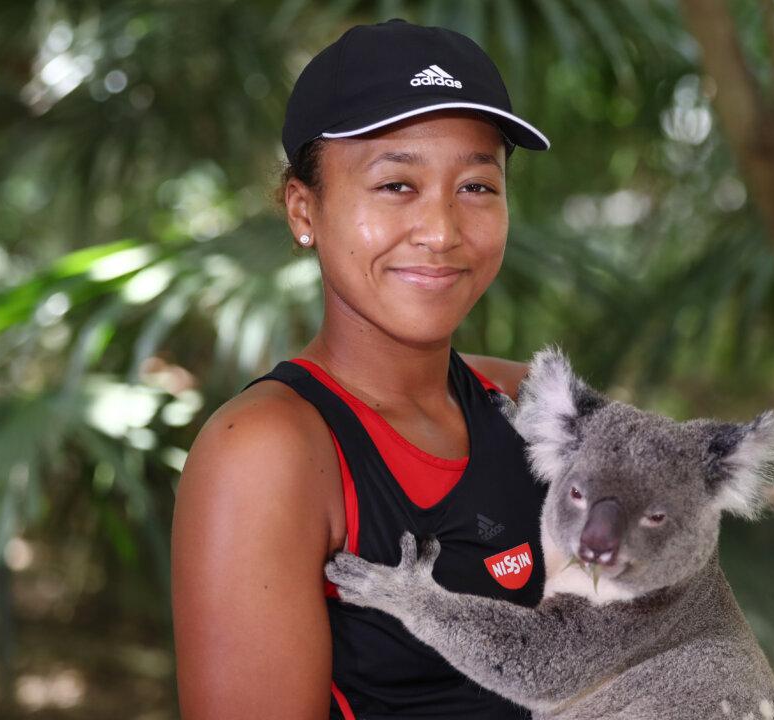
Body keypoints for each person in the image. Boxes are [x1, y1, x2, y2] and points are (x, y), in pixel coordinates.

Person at [171, 18, 552, 719]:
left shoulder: (533, 403)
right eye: (396, 185)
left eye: (476, 186)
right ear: (303, 209)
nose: (441, 231)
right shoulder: (266, 454)